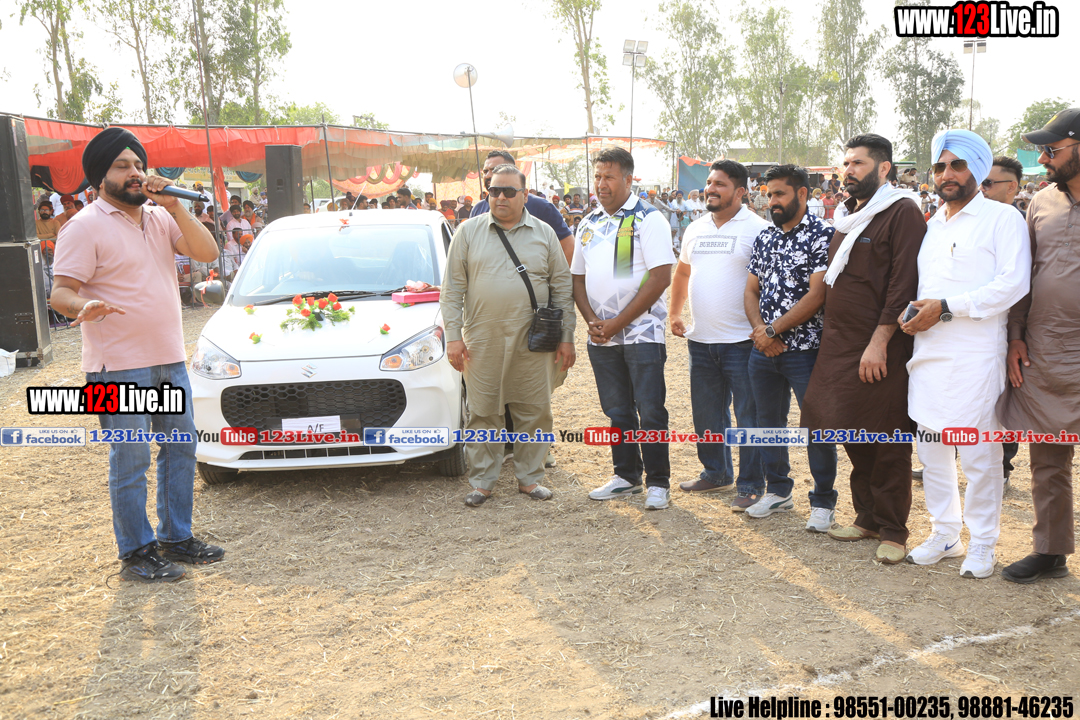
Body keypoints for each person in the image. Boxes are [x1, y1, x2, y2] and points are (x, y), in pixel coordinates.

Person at [50, 127, 223, 582]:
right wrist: (83, 305)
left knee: (180, 448)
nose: (135, 173)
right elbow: (60, 292)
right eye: (122, 165)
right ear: (99, 176)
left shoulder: (161, 217)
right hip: (115, 367)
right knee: (130, 459)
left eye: (139, 165)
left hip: (168, 358)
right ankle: (136, 552)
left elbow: (207, 251)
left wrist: (175, 206)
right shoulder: (82, 226)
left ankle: (176, 537)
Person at [900, 129, 1031, 579]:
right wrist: (914, 312)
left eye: (957, 165)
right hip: (928, 354)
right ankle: (945, 534)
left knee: (979, 455)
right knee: (932, 450)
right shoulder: (932, 224)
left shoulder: (1002, 218)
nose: (947, 174)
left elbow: (1013, 284)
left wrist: (946, 308)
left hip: (976, 357)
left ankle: (984, 543)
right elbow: (927, 288)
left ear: (976, 169)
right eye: (940, 166)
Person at [803, 134, 926, 564]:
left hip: (882, 344)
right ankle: (867, 517)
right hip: (839, 343)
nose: (848, 170)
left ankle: (893, 530)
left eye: (858, 163)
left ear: (884, 168)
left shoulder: (902, 211)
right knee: (849, 429)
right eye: (846, 163)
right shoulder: (848, 215)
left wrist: (879, 340)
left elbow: (904, 283)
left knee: (887, 436)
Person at [441, 164, 576, 506]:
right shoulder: (467, 232)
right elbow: (452, 289)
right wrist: (453, 337)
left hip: (534, 341)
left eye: (509, 191)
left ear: (524, 195)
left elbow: (562, 288)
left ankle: (530, 479)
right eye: (494, 191)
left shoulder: (545, 233)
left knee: (534, 410)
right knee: (483, 411)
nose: (500, 197)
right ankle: (482, 481)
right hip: (482, 340)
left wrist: (567, 337)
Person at [998, 108, 1080, 584]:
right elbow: (1024, 277)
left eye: (1052, 149)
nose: (1044, 159)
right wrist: (1015, 336)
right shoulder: (1042, 202)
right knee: (1048, 457)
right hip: (1047, 349)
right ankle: (1050, 551)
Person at [572, 148, 676, 510]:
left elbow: (660, 278)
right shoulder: (588, 223)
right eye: (597, 176)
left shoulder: (648, 218)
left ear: (629, 179)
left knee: (650, 410)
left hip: (642, 334)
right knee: (617, 410)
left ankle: (658, 483)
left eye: (610, 177)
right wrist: (592, 321)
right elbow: (577, 278)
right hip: (601, 337)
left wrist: (617, 323)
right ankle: (626, 476)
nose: (601, 184)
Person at [743, 164, 838, 530]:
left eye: (779, 194)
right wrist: (761, 333)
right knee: (767, 422)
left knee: (816, 425)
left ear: (802, 194)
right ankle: (778, 490)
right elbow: (751, 290)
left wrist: (772, 330)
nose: (772, 201)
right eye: (769, 195)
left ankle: (823, 501)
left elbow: (817, 295)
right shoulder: (765, 237)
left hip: (806, 350)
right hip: (763, 350)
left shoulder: (823, 234)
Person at [669, 160, 768, 508]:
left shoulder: (758, 229)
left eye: (720, 184)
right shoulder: (695, 228)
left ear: (740, 191)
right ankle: (716, 473)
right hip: (701, 342)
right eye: (709, 183)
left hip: (743, 342)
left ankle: (751, 484)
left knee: (749, 417)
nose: (710, 189)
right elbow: (682, 274)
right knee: (707, 415)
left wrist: (764, 329)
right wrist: (675, 312)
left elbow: (767, 284)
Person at [980, 155, 1026, 485]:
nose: (981, 189)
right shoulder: (975, 220)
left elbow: (1020, 285)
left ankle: (1004, 466)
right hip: (979, 324)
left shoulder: (1019, 222)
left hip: (1014, 324)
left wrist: (1017, 333)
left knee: (1006, 396)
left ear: (1012, 187)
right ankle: (947, 455)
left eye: (988, 183)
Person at [471, 151, 575, 267]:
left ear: (513, 171)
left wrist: (557, 277)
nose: (488, 175)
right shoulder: (478, 209)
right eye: (485, 171)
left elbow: (568, 246)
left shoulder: (541, 207)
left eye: (495, 170)